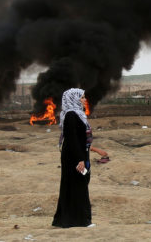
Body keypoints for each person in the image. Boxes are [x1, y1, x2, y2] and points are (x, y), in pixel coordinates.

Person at [53, 88, 93, 228]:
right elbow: (72, 139)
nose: (84, 100)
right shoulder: (71, 115)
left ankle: (70, 220)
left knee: (79, 184)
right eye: (82, 97)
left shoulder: (78, 114)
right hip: (73, 156)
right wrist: (80, 159)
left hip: (79, 154)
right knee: (77, 186)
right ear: (74, 99)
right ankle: (81, 221)